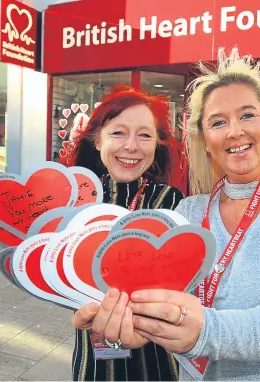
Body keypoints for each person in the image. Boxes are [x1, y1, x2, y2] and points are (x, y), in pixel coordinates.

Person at [72, 49, 260, 381]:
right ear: (206, 140)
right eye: (218, 122)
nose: (234, 131)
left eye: (247, 115)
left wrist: (204, 332)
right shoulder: (187, 212)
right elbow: (175, 308)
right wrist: (145, 330)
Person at [63, 85, 184, 381]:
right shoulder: (76, 199)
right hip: (94, 350)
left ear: (157, 144)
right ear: (96, 139)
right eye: (118, 133)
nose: (131, 146)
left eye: (144, 135)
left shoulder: (172, 202)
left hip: (155, 352)